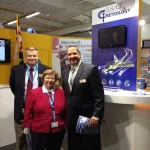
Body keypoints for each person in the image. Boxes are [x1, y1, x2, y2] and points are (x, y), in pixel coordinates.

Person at [61, 45, 104, 150]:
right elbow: (66, 94)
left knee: (89, 145)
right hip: (71, 117)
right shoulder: (64, 73)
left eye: (74, 53)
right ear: (67, 56)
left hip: (87, 117)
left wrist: (96, 115)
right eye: (69, 54)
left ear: (79, 54)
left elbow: (98, 95)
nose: (72, 56)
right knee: (74, 145)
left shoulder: (90, 69)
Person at [9, 47, 50, 150]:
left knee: (39, 139)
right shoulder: (16, 69)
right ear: (26, 57)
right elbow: (13, 87)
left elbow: (49, 87)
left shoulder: (45, 69)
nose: (32, 58)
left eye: (34, 55)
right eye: (29, 56)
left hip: (39, 110)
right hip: (21, 110)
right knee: (21, 139)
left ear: (38, 56)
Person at [23, 69, 66, 150]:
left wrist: (65, 124)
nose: (50, 80)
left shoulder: (61, 93)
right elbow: (28, 111)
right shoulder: (33, 93)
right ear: (43, 79)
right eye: (47, 78)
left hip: (58, 129)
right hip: (39, 130)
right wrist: (27, 126)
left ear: (55, 80)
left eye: (52, 78)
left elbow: (65, 110)